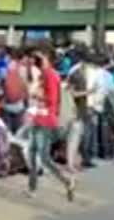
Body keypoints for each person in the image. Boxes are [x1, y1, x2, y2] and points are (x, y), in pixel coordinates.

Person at [26, 46, 76, 201]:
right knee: (33, 153)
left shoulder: (50, 75)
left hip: (46, 120)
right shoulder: (44, 74)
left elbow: (53, 100)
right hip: (39, 117)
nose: (34, 59)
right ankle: (32, 187)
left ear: (46, 57)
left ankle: (66, 182)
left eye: (38, 56)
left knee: (43, 156)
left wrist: (37, 95)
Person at [2, 50, 29, 134]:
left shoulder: (6, 69)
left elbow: (4, 85)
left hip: (7, 104)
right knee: (19, 129)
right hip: (19, 104)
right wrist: (26, 98)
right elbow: (24, 85)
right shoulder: (22, 69)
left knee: (8, 129)